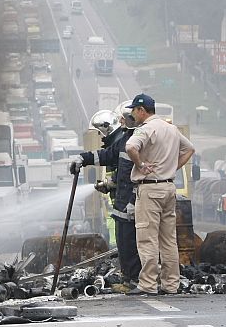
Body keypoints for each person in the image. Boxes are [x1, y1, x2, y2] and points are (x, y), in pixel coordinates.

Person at [123, 93, 195, 296]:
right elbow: (190, 148)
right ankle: (171, 284)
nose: (132, 115)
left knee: (147, 238)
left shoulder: (146, 129)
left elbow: (130, 147)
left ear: (141, 110)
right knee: (169, 239)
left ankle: (147, 284)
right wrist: (173, 167)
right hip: (168, 188)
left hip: (150, 188)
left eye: (134, 111)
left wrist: (140, 164)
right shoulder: (171, 129)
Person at [69, 109, 140, 283]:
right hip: (121, 204)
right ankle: (129, 279)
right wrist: (83, 158)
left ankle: (135, 280)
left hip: (130, 203)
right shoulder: (124, 140)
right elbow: (107, 156)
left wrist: (131, 199)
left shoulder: (136, 141)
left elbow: (135, 174)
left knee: (132, 245)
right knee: (124, 244)